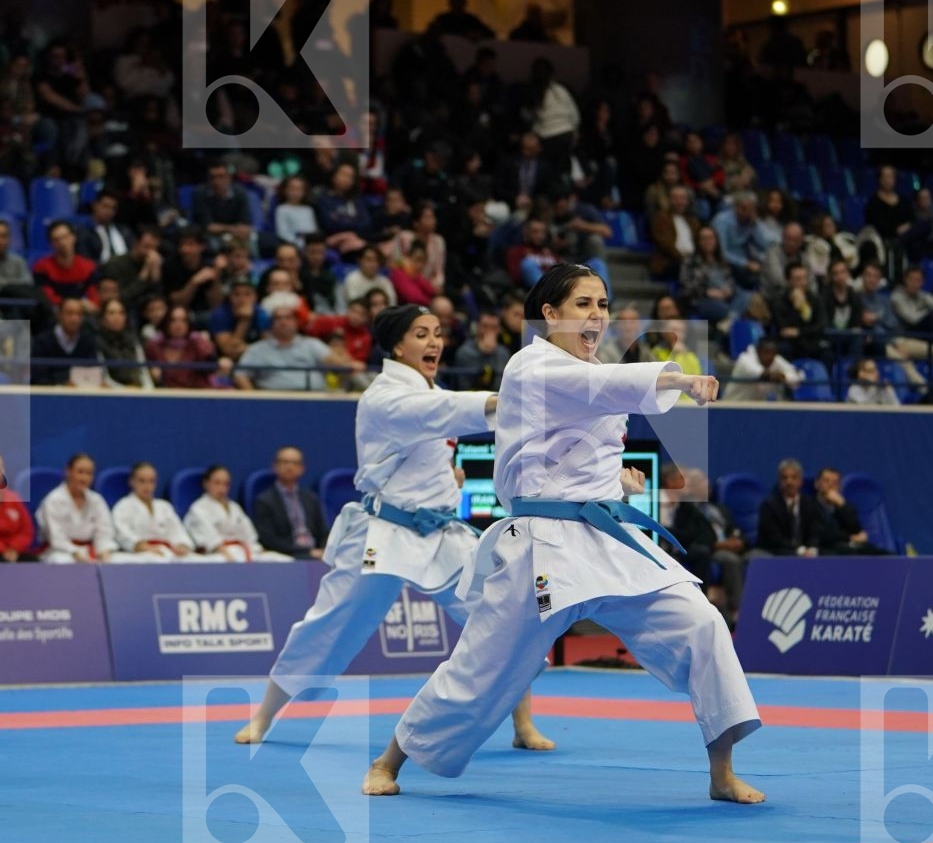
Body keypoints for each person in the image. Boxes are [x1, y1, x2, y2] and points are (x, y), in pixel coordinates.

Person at [361, 266, 761, 803]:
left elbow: (574, 447)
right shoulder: (532, 365)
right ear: (549, 315)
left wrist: (615, 479)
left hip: (607, 538)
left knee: (703, 626)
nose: (597, 314)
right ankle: (388, 760)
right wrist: (681, 379)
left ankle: (721, 773)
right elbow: (597, 390)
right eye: (582, 304)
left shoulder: (591, 366)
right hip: (541, 543)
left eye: (603, 303)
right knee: (481, 669)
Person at [237, 304, 554, 749]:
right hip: (385, 533)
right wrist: (513, 401)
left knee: (499, 615)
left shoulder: (428, 390)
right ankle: (263, 717)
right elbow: (441, 411)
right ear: (397, 345)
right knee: (329, 622)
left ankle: (523, 725)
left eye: (438, 333)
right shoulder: (386, 396)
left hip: (443, 535)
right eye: (421, 334)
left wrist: (449, 477)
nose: (434, 342)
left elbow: (427, 446)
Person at [669, 471, 747, 623]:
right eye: (702, 482)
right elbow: (693, 535)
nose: (708, 485)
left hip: (728, 546)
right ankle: (737, 611)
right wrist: (717, 544)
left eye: (707, 482)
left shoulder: (719, 509)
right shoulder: (687, 509)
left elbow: (734, 529)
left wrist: (738, 540)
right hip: (712, 549)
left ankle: (740, 610)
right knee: (730, 560)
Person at [183, 466, 280, 561]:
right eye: (217, 483)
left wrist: (258, 550)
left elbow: (249, 535)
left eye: (226, 484)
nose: (222, 488)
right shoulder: (199, 509)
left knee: (282, 560)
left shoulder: (234, 507)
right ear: (206, 484)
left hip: (243, 551)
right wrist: (230, 558)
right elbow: (210, 541)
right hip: (218, 555)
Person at [251, 447, 329, 560]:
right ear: (275, 466)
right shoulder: (264, 501)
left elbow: (323, 531)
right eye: (285, 462)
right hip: (288, 555)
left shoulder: (310, 498)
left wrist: (324, 549)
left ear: (302, 468)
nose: (290, 467)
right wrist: (307, 551)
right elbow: (268, 540)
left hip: (316, 553)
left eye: (295, 463)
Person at [36, 453, 117, 563]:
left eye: (89, 473)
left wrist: (103, 552)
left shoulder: (96, 500)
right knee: (62, 561)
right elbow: (56, 537)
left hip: (90, 550)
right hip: (61, 552)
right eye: (80, 472)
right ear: (68, 472)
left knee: (115, 560)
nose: (84, 478)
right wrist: (76, 553)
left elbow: (104, 531)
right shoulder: (53, 500)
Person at [111, 462, 196, 559]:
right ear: (132, 482)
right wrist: (141, 546)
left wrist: (182, 545)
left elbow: (177, 531)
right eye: (142, 481)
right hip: (139, 553)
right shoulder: (123, 506)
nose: (147, 486)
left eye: (151, 481)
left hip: (166, 551)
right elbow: (122, 532)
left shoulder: (164, 506)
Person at [752, 459, 833, 558]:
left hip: (806, 551)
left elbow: (815, 531)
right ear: (779, 481)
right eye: (784, 478)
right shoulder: (769, 506)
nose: (789, 482)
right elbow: (773, 538)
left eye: (794, 478)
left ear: (800, 481)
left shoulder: (810, 503)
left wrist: (812, 548)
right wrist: (799, 550)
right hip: (778, 550)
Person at [814, 466, 888, 555]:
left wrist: (842, 505)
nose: (830, 485)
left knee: (885, 556)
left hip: (848, 547)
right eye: (826, 481)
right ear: (817, 483)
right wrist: (850, 538)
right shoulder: (809, 505)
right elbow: (821, 535)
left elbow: (856, 530)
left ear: (840, 487)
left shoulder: (846, 506)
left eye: (835, 482)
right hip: (826, 549)